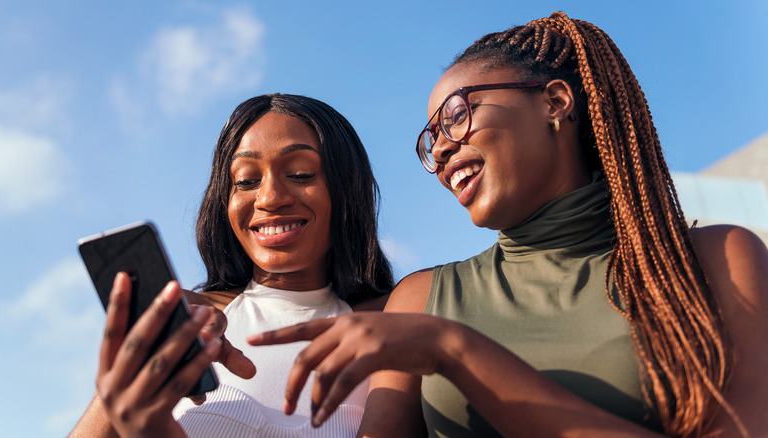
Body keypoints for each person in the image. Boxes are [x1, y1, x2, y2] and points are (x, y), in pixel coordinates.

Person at [248, 12, 768, 437]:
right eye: (431, 140)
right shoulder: (421, 298)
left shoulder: (718, 260)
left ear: (555, 103)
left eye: (456, 115)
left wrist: (456, 351)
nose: (443, 148)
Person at [68, 93, 394, 437]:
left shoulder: (397, 319)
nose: (269, 198)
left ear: (349, 188)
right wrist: (120, 388)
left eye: (300, 174)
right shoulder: (186, 321)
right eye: (246, 181)